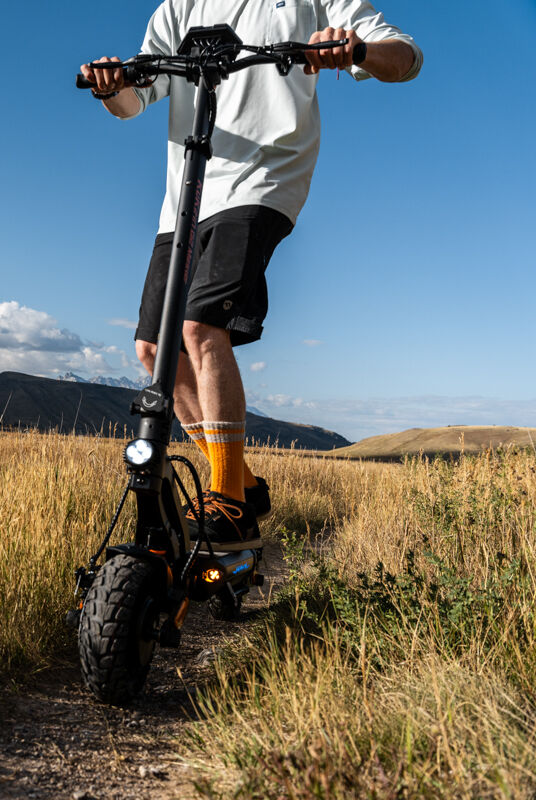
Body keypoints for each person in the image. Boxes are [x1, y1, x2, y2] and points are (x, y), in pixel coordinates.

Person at [80, 0, 421, 545]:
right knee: (153, 349)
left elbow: (405, 58)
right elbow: (133, 101)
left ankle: (229, 503)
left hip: (266, 178)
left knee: (200, 327)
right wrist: (110, 84)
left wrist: (355, 50)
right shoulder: (177, 9)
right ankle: (243, 481)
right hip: (186, 196)